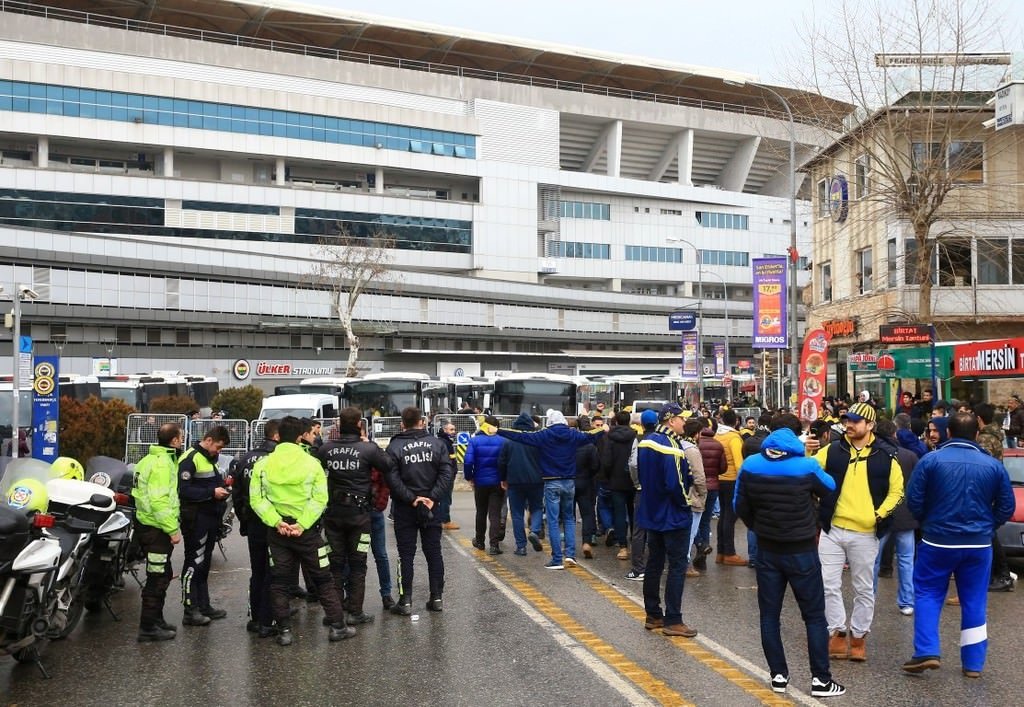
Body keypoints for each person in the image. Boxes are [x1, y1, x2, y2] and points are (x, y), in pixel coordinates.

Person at [734, 413, 845, 698]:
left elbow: (739, 506)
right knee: (814, 616)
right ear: (797, 439)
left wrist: (757, 527)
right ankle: (821, 680)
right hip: (802, 550)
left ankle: (778, 676)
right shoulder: (806, 465)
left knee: (770, 616)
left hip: (768, 549)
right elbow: (830, 487)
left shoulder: (750, 465)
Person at [902, 412, 1015, 677]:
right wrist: (988, 527)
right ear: (977, 434)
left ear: (948, 433)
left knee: (928, 592)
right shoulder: (992, 465)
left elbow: (914, 499)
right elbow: (1006, 506)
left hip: (937, 540)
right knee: (974, 600)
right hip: (978, 543)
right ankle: (973, 664)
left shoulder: (930, 461)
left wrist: (927, 523)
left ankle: (927, 650)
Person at [807, 402, 903, 663]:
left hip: (866, 532)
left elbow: (897, 491)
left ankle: (859, 637)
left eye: (856, 421)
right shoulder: (833, 450)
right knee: (828, 585)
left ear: (870, 425)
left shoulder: (886, 455)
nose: (849, 425)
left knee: (863, 588)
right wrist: (807, 451)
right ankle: (837, 633)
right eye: (847, 420)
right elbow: (808, 471)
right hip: (832, 529)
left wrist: (879, 514)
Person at [250, 416, 353, 646]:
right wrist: (303, 524)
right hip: (305, 532)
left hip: (278, 533)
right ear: (299, 437)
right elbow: (320, 499)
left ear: (278, 436)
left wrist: (276, 521)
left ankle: (284, 631)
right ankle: (338, 626)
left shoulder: (263, 464)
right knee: (323, 579)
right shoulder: (311, 463)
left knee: (279, 582)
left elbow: (256, 500)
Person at [496, 409, 602, 570]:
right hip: (570, 482)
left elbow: (521, 436)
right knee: (569, 519)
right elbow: (591, 436)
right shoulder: (573, 435)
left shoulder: (544, 435)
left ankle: (557, 559)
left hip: (551, 482)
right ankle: (570, 555)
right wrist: (604, 429)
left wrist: (499, 430)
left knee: (553, 521)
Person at [318, 407, 396, 625]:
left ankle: (334, 613)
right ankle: (355, 612)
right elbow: (388, 465)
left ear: (339, 426)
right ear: (360, 425)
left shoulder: (326, 449)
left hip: (333, 515)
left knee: (335, 564)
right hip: (359, 517)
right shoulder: (368, 449)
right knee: (358, 563)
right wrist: (371, 446)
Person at [385, 406, 455, 614]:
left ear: (402, 424)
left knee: (405, 554)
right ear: (422, 422)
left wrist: (412, 498)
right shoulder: (437, 444)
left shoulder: (395, 446)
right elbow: (447, 473)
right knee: (433, 552)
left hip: (406, 507)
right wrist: (432, 498)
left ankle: (405, 601)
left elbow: (392, 479)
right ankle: (437, 598)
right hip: (431, 506)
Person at [636, 403, 697, 638]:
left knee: (654, 563)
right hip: (672, 514)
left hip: (651, 510)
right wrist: (685, 503)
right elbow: (676, 483)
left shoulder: (646, 441)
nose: (685, 422)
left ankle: (653, 614)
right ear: (671, 420)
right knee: (677, 565)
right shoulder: (671, 445)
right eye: (682, 418)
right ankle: (674, 619)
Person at [228, 419, 280, 638]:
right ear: (277, 436)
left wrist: (244, 521)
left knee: (257, 571)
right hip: (273, 522)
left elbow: (237, 494)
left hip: (252, 522)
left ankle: (256, 617)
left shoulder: (246, 458)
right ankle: (268, 621)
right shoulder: (277, 459)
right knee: (272, 572)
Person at [132, 422, 183, 642]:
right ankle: (148, 627)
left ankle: (156, 620)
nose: (182, 440)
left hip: (147, 525)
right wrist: (173, 530)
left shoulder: (148, 460)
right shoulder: (163, 464)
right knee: (157, 577)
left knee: (163, 573)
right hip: (156, 529)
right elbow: (159, 501)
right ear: (174, 440)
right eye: (180, 437)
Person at [177, 425, 231, 626]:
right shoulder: (190, 458)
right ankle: (189, 610)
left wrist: (223, 487)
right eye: (218, 447)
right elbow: (183, 490)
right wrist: (212, 493)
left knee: (204, 563)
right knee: (194, 563)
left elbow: (209, 483)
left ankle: (203, 605)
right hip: (195, 519)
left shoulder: (209, 459)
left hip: (209, 518)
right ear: (208, 440)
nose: (219, 451)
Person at [872, 419, 919, 616]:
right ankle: (907, 601)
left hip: (881, 514)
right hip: (906, 514)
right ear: (895, 434)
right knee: (906, 560)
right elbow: (917, 485)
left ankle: (870, 598)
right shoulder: (909, 456)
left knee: (873, 559)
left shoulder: (873, 455)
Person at [499, 412, 545, 556]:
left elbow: (502, 462)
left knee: (517, 514)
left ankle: (521, 547)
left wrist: (503, 478)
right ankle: (535, 531)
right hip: (536, 480)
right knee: (537, 508)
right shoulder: (538, 440)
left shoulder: (508, 441)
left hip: (515, 481)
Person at [463, 415, 507, 555]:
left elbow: (468, 462)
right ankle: (494, 545)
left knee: (481, 511)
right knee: (494, 514)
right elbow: (506, 462)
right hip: (497, 482)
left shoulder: (474, 441)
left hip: (480, 481)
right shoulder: (503, 441)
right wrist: (504, 478)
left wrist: (469, 477)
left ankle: (480, 541)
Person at [601, 410, 638, 562]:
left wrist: (608, 476)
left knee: (619, 513)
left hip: (616, 480)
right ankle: (636, 543)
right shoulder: (635, 436)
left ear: (615, 421)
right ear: (629, 421)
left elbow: (607, 460)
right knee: (633, 512)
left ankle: (623, 546)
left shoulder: (610, 437)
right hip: (632, 479)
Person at [714, 408, 746, 566]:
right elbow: (739, 463)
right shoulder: (734, 438)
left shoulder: (718, 436)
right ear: (737, 421)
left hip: (719, 479)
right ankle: (729, 553)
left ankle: (720, 552)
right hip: (732, 479)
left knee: (724, 516)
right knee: (731, 516)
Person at [692, 418, 723, 573]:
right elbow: (723, 467)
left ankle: (699, 544)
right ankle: (702, 558)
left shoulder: (694, 444)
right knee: (705, 522)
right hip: (713, 486)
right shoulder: (718, 444)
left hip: (697, 486)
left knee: (694, 519)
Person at [436, 421, 460, 530]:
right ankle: (445, 521)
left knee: (443, 498)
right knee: (446, 498)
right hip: (447, 475)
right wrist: (451, 472)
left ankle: (441, 519)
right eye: (451, 430)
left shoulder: (444, 441)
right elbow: (449, 460)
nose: (453, 432)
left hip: (445, 474)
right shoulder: (445, 443)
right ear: (445, 430)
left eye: (454, 430)